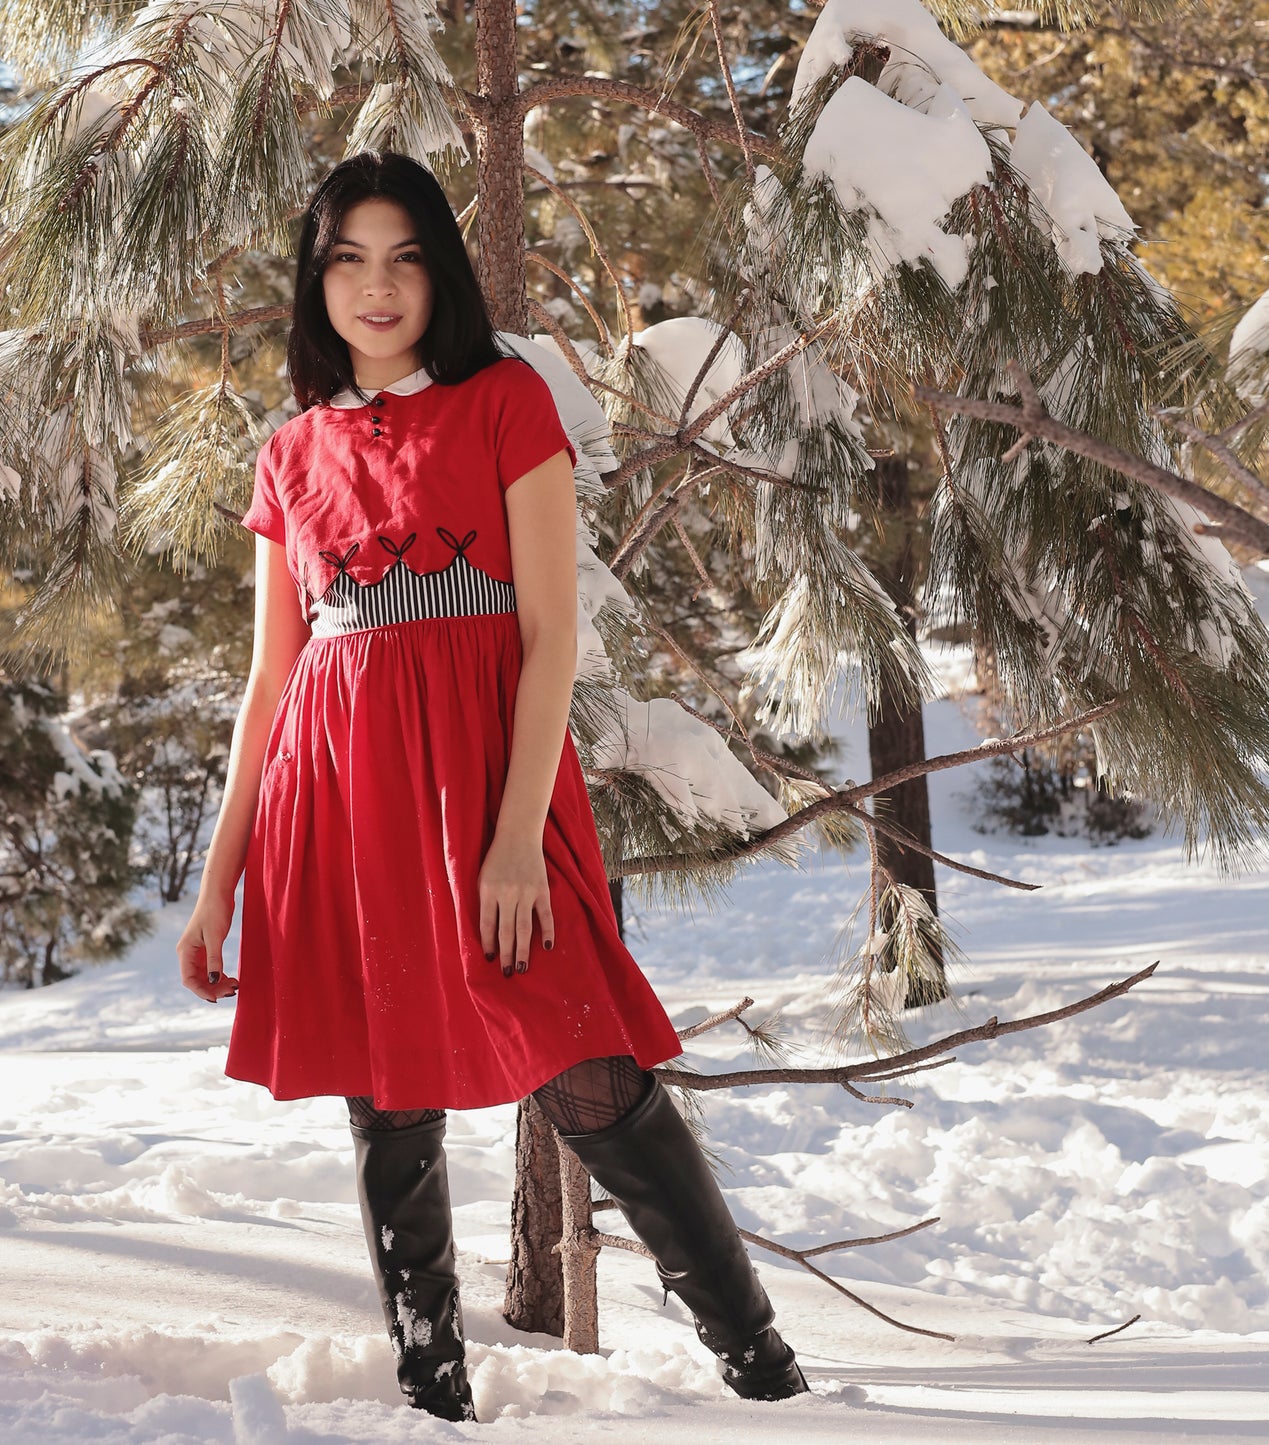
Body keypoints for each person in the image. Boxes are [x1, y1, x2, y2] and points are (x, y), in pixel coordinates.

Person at [175, 149, 809, 1424]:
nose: (377, 284)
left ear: (439, 273)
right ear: (316, 280)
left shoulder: (504, 404)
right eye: (347, 257)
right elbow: (268, 680)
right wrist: (216, 883)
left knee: (588, 1065)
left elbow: (550, 638)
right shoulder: (289, 454)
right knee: (384, 1080)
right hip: (339, 799)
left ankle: (764, 1369)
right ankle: (431, 1383)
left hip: (487, 792)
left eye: (404, 254)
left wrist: (513, 837)